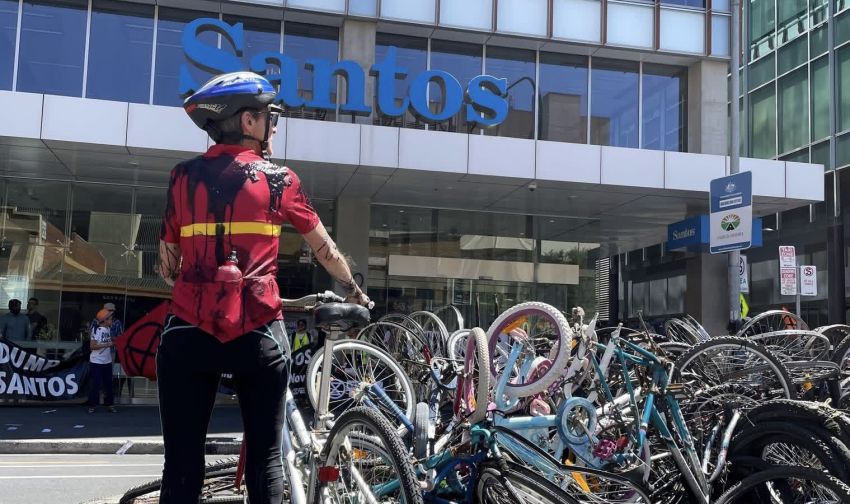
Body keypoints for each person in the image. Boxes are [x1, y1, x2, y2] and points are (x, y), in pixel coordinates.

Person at [157, 71, 370, 504]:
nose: (273, 126)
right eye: (270, 117)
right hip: (256, 333)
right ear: (248, 122)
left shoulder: (181, 178)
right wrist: (354, 291)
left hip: (187, 335)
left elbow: (167, 266)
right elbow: (326, 251)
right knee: (267, 460)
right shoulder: (279, 179)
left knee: (181, 464)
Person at [86, 308, 117, 413]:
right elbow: (92, 346)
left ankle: (109, 404)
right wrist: (108, 344)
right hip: (96, 361)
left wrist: (116, 340)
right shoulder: (96, 330)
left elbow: (110, 340)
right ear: (105, 320)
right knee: (96, 383)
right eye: (110, 319)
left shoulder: (108, 329)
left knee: (108, 384)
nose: (112, 320)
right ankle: (92, 405)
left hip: (107, 361)